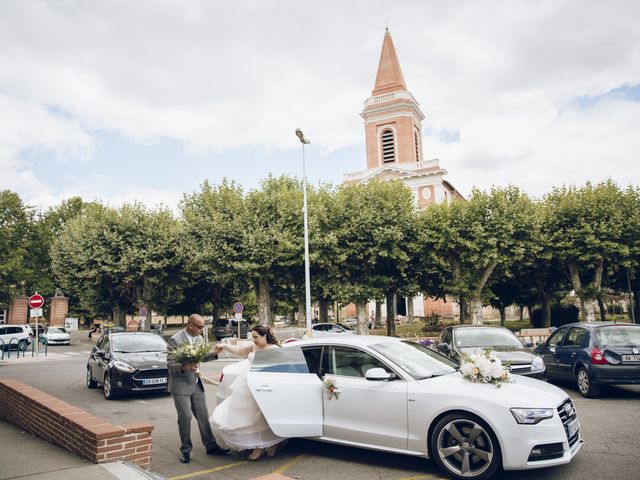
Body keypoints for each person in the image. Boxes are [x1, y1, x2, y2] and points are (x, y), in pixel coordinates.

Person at [210, 324, 286, 461]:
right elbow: (239, 351)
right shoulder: (253, 346)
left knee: (262, 418)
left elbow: (284, 368)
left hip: (265, 387)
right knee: (248, 417)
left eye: (256, 337)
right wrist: (224, 346)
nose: (254, 340)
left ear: (264, 336)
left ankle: (265, 446)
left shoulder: (275, 349)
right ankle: (254, 444)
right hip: (246, 386)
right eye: (252, 337)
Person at [167, 314, 227, 464]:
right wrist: (183, 366)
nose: (202, 330)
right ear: (190, 325)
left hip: (196, 383)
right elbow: (169, 363)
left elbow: (201, 358)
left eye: (203, 327)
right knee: (186, 417)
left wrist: (213, 353)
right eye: (199, 327)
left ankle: (211, 446)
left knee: (203, 416)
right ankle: (185, 450)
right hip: (180, 384)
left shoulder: (200, 339)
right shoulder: (175, 339)